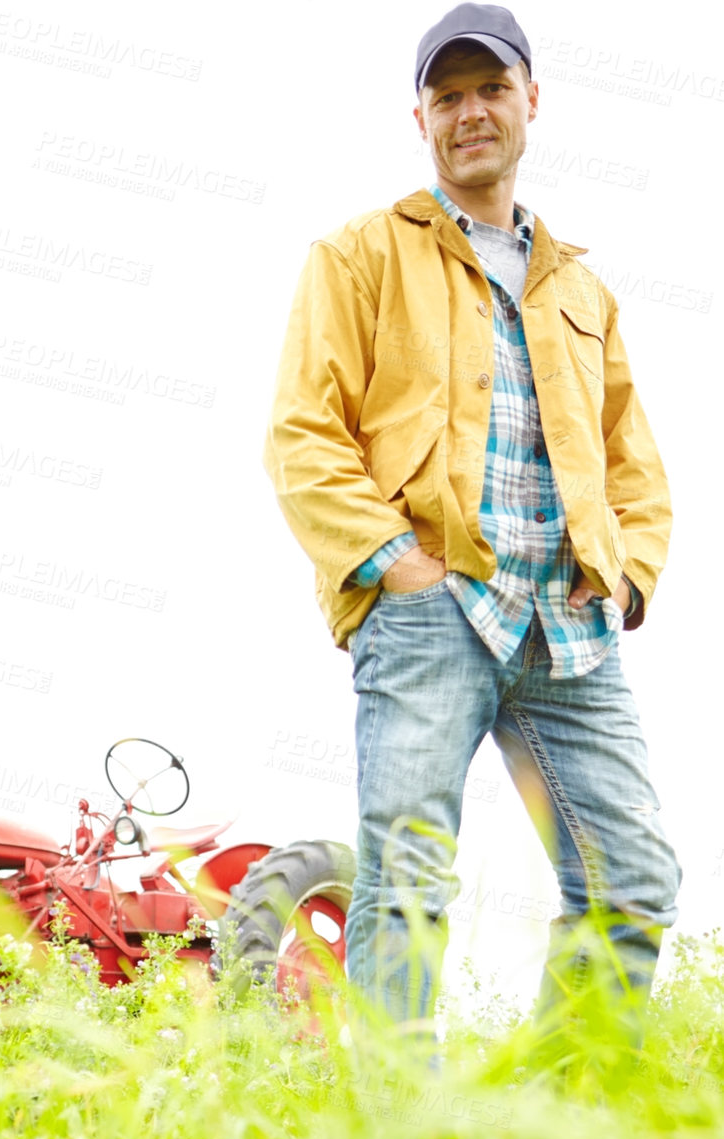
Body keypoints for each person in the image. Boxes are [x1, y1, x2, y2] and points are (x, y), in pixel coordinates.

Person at [262, 1, 680, 1049]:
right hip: (432, 612)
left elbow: (630, 457)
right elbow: (302, 434)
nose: (469, 113)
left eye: (489, 89)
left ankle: (551, 1124)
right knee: (404, 877)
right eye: (445, 97)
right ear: (420, 121)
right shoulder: (356, 255)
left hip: (568, 633)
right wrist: (395, 565)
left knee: (629, 881)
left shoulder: (578, 285)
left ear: (529, 101)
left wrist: (625, 575)